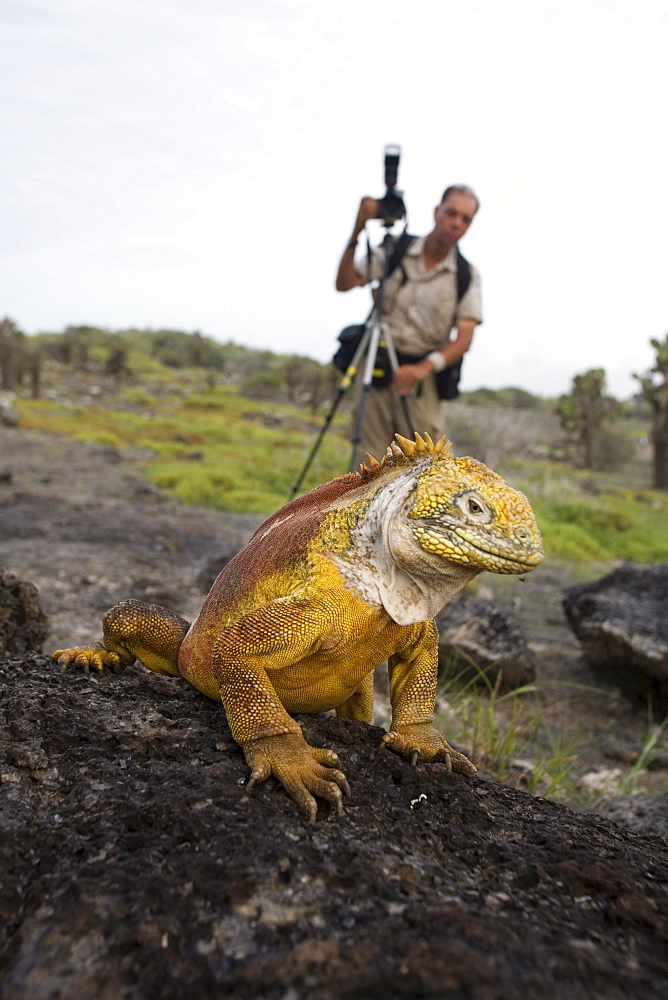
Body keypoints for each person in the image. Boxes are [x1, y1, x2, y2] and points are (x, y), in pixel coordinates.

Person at [335, 185, 483, 467]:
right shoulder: (396, 249)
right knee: (366, 466)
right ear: (437, 212)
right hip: (377, 372)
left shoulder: (466, 274)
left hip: (420, 380)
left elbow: (464, 339)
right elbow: (345, 283)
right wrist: (357, 229)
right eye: (451, 213)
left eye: (465, 219)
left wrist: (422, 369)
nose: (456, 223)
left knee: (425, 466)